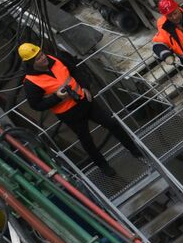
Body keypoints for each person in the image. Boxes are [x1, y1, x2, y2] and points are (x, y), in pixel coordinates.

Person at [20, 42, 141, 175]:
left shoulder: (55, 59)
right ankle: (103, 166)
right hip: (70, 114)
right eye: (38, 58)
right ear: (31, 63)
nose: (43, 58)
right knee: (87, 141)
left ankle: (135, 150)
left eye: (41, 54)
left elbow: (75, 70)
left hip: (85, 101)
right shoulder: (31, 82)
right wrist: (56, 98)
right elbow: (36, 105)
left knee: (111, 123)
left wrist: (85, 87)